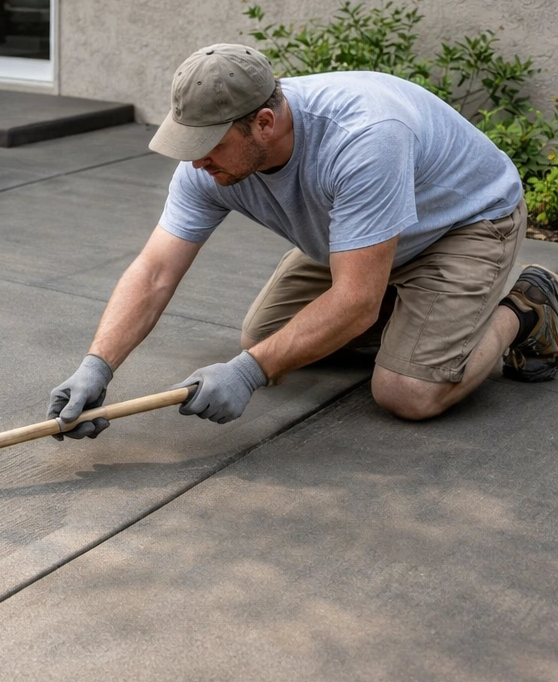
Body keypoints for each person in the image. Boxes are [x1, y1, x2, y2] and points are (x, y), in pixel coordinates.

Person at [48, 43, 558, 438]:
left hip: (462, 224)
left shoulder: (364, 137)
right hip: (359, 238)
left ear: (264, 123)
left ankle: (526, 308)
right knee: (262, 339)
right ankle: (414, 317)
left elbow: (356, 302)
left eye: (208, 147)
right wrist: (97, 366)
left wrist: (249, 374)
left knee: (407, 392)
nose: (196, 162)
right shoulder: (207, 163)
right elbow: (156, 271)